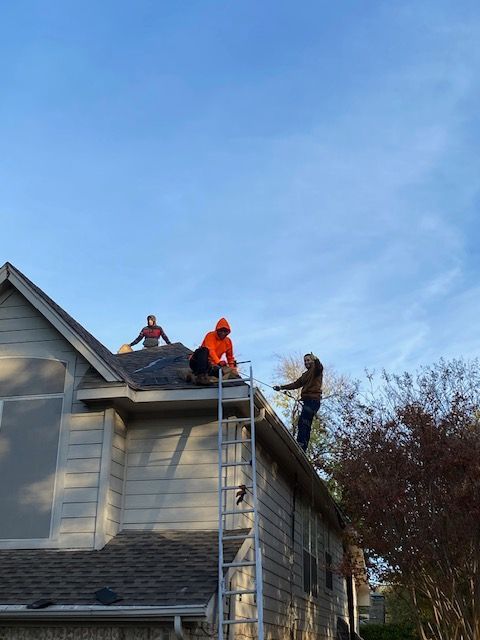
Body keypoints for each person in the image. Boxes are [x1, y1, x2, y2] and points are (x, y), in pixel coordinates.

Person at [273, 353, 323, 452]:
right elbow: (296, 384)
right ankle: (302, 445)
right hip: (308, 401)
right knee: (305, 423)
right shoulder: (305, 375)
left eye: (308, 360)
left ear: (312, 361)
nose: (306, 362)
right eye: (305, 361)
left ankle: (301, 444)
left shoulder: (316, 370)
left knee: (303, 422)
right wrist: (281, 387)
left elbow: (320, 367)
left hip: (313, 401)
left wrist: (316, 359)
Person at [189, 318, 236, 384]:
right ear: (217, 330)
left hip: (210, 366)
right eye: (220, 331)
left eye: (225, 331)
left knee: (221, 372)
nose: (223, 333)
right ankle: (201, 377)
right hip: (197, 363)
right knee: (204, 350)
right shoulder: (210, 335)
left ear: (228, 332)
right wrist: (219, 362)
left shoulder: (228, 341)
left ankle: (198, 376)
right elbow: (211, 350)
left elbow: (230, 358)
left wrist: (233, 369)